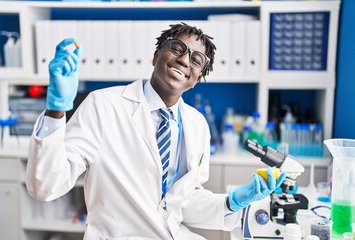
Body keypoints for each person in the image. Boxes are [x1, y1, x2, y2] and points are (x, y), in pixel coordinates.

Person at [27, 22, 286, 239]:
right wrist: (55, 110)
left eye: (196, 60)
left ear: (197, 79)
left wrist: (232, 202)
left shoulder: (197, 125)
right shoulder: (103, 104)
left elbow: (182, 203)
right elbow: (46, 186)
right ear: (156, 55)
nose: (184, 60)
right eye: (177, 48)